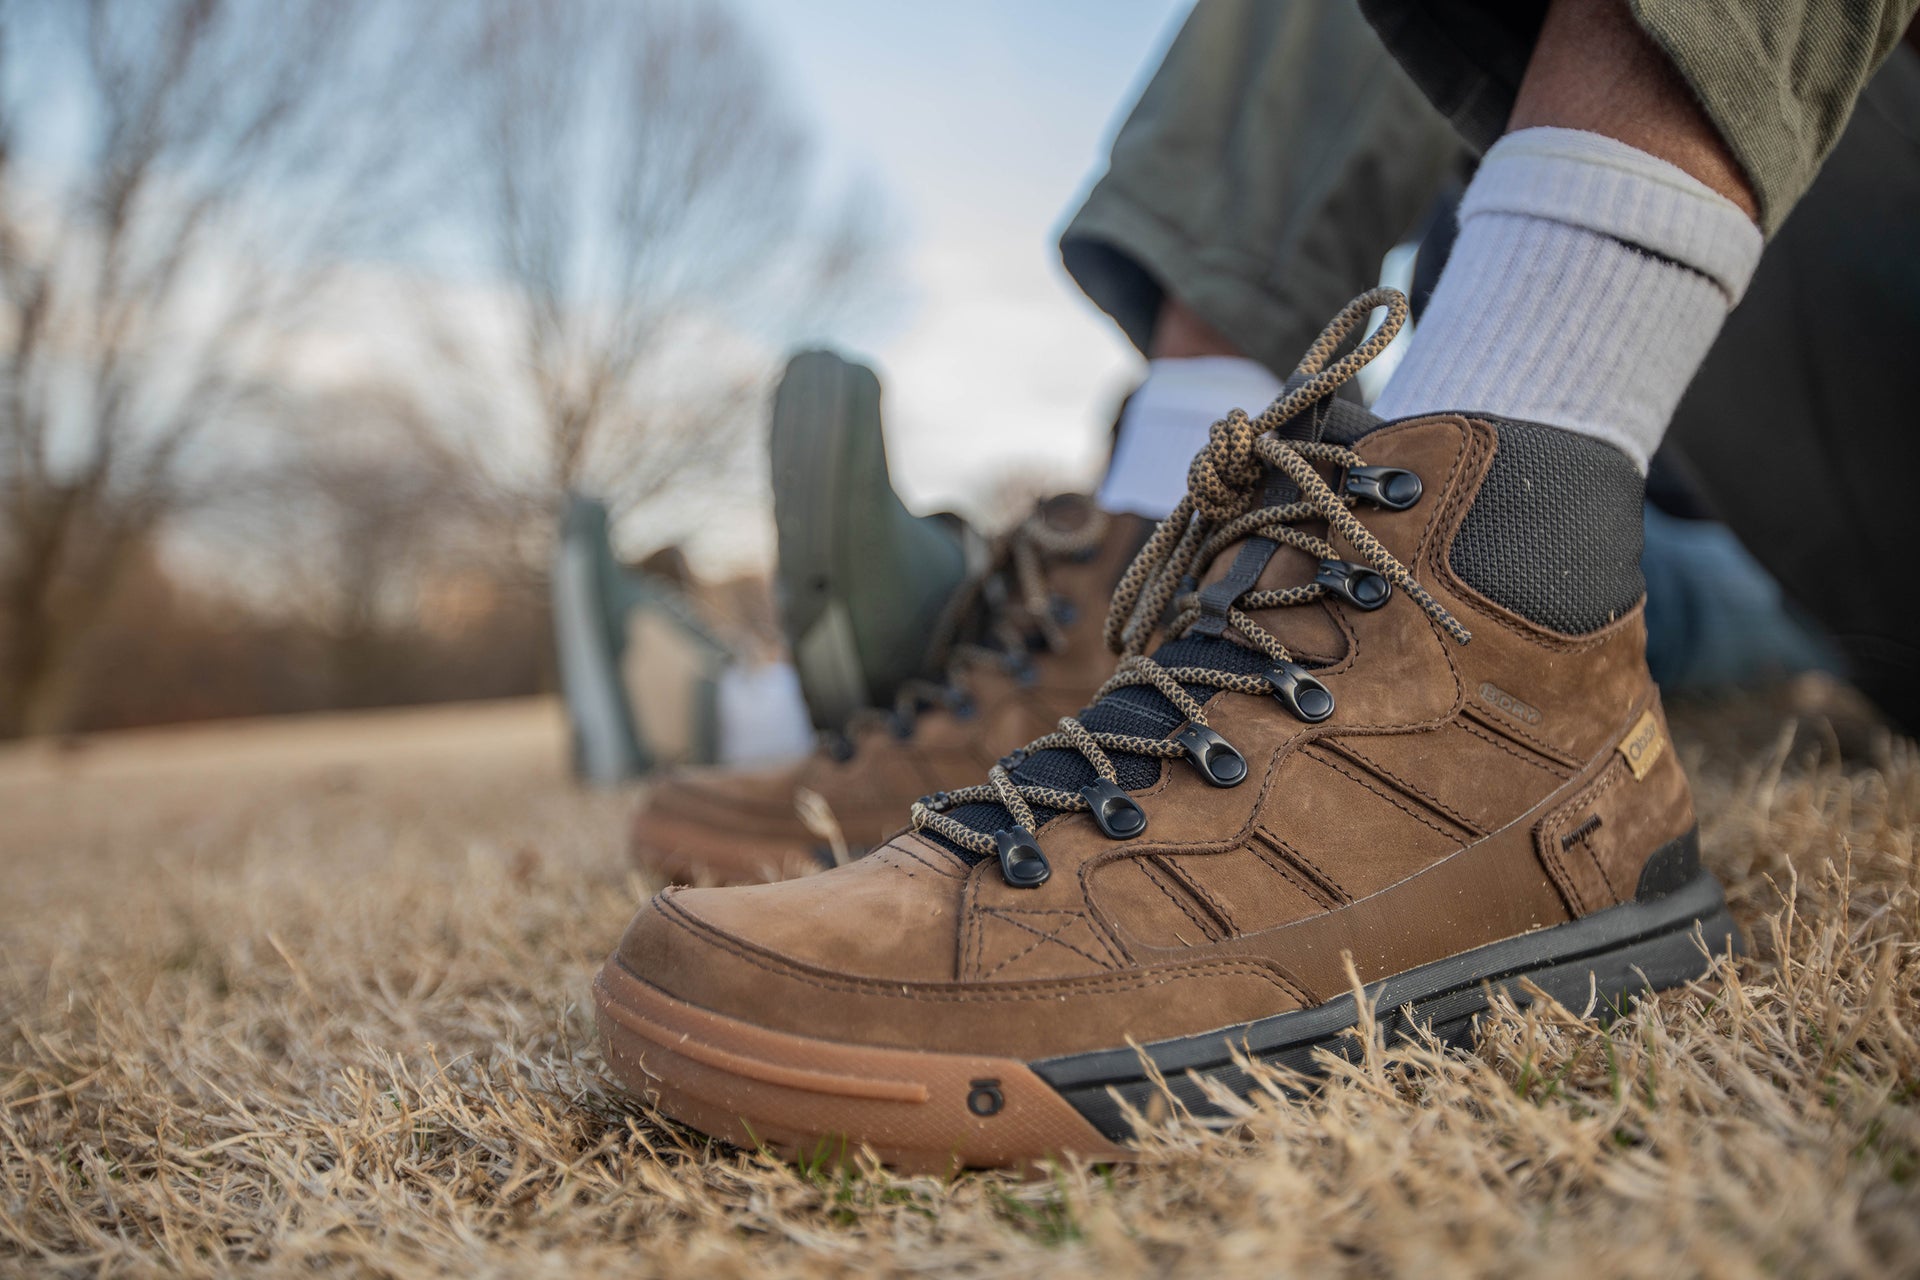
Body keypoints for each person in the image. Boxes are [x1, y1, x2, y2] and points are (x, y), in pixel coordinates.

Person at [593, 0, 1920, 1171]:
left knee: (1642, 567)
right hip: (1716, 425)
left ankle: (1494, 599)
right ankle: (1173, 554)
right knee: (1630, 556)